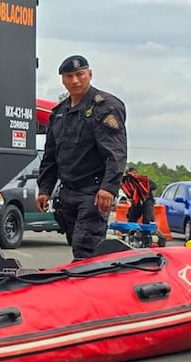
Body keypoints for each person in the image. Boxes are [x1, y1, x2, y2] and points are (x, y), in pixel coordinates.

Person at [36, 55, 128, 259]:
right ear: (63, 80)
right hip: (68, 193)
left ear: (90, 74)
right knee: (76, 245)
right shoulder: (59, 113)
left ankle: (91, 289)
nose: (75, 80)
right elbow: (51, 156)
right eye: (69, 76)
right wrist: (45, 189)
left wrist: (108, 187)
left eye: (80, 74)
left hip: (93, 192)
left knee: (86, 249)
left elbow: (115, 152)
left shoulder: (105, 107)